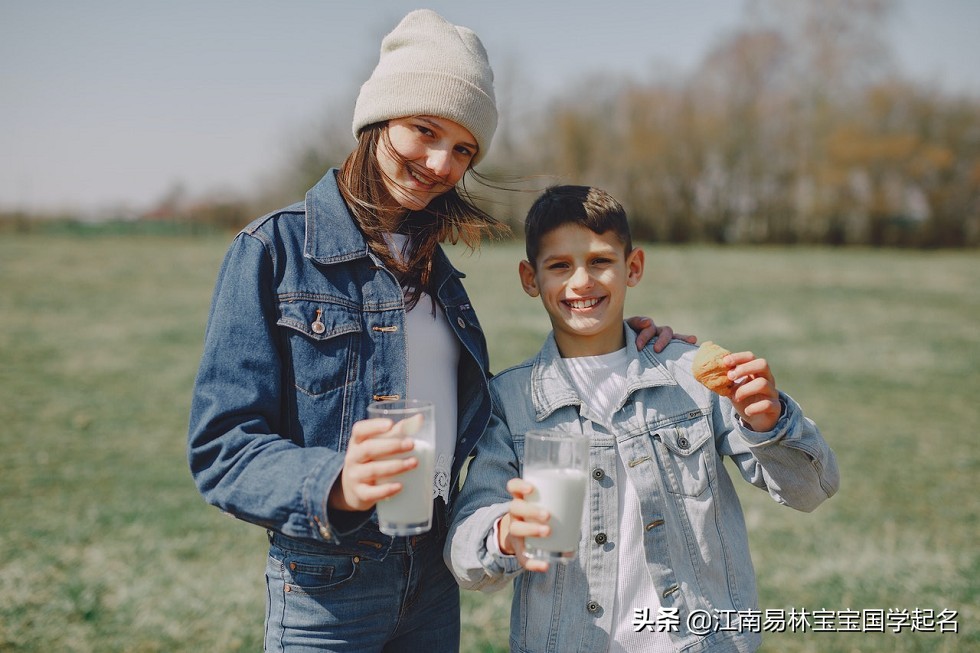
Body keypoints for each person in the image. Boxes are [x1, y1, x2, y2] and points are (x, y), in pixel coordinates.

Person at [187, 11, 684, 653]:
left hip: (433, 576)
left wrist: (629, 342)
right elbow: (222, 447)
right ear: (378, 119)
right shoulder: (273, 251)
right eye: (424, 130)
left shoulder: (440, 274)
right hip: (332, 583)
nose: (440, 163)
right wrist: (335, 481)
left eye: (463, 149)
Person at [445, 185, 840, 653]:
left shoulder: (691, 376)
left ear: (632, 268)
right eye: (559, 266)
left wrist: (767, 423)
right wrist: (506, 533)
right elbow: (465, 548)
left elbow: (810, 489)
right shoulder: (510, 403)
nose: (581, 282)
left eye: (599, 261)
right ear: (530, 279)